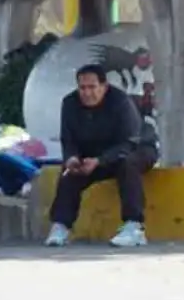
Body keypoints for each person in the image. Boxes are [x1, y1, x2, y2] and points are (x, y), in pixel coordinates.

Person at [44, 65, 157, 248]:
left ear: (104, 87)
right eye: (83, 88)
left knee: (127, 164)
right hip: (96, 154)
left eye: (92, 87)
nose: (87, 93)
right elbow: (68, 139)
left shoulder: (121, 102)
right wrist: (71, 158)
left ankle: (134, 226)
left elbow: (130, 142)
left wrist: (100, 161)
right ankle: (61, 226)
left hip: (135, 148)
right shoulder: (70, 103)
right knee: (70, 172)